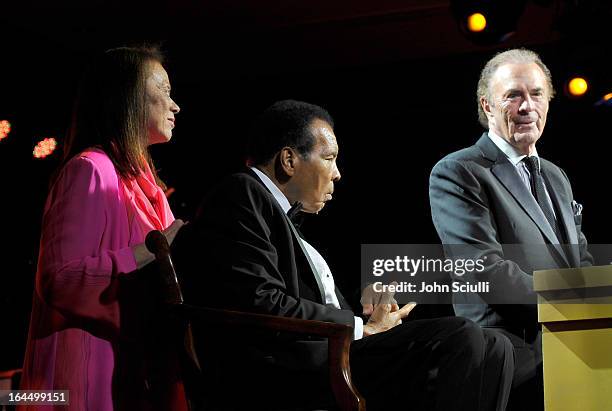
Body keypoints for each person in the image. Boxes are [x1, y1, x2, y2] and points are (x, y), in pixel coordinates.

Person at [171, 99, 514, 410]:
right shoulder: (242, 193)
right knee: (459, 335)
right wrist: (360, 328)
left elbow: (302, 298)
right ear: (289, 160)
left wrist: (363, 307)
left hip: (333, 352)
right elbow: (260, 301)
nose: (337, 173)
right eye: (329, 158)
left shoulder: (280, 214)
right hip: (293, 369)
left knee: (496, 346)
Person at [20, 46, 187, 410]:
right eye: (165, 90)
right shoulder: (91, 169)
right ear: (126, 97)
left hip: (134, 372)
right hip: (84, 376)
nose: (175, 106)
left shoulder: (150, 188)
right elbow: (59, 280)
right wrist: (153, 248)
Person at [429, 48, 593, 410]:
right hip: (513, 355)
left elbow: (579, 260)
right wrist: (573, 305)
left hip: (576, 348)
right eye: (513, 96)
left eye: (536, 94)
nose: (526, 106)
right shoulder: (459, 171)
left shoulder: (555, 175)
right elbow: (483, 267)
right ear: (487, 106)